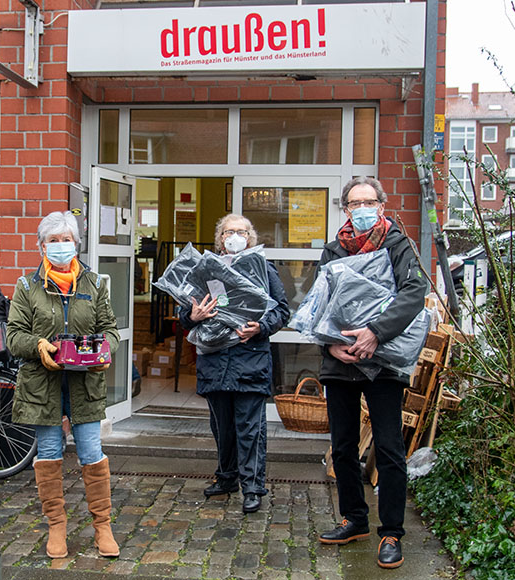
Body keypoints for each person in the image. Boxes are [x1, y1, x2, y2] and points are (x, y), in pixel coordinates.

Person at [315, 177, 427, 569]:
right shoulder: (332, 251)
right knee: (343, 447)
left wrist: (375, 334)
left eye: (369, 201)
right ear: (345, 209)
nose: (361, 208)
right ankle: (354, 519)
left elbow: (414, 294)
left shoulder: (398, 245)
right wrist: (329, 344)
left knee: (389, 448)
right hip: (341, 362)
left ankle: (392, 532)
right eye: (353, 203)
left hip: (383, 362)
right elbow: (319, 304)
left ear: (382, 204)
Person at [6, 210, 120, 559]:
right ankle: (57, 526)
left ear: (76, 243)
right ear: (41, 246)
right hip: (43, 386)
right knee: (50, 454)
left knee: (91, 454)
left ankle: (103, 526)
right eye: (53, 241)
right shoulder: (27, 286)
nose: (60, 246)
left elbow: (111, 331)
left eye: (65, 239)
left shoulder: (95, 284)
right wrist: (38, 345)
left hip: (85, 385)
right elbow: (13, 336)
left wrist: (103, 349)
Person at [179, 214, 290, 514]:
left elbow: (282, 310)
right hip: (214, 360)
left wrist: (261, 327)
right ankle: (226, 478)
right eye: (229, 232)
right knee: (222, 426)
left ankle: (252, 487)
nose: (235, 237)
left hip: (249, 358)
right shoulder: (205, 270)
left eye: (241, 231)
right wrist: (194, 317)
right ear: (220, 238)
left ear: (250, 237)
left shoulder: (264, 269)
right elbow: (183, 311)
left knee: (250, 428)